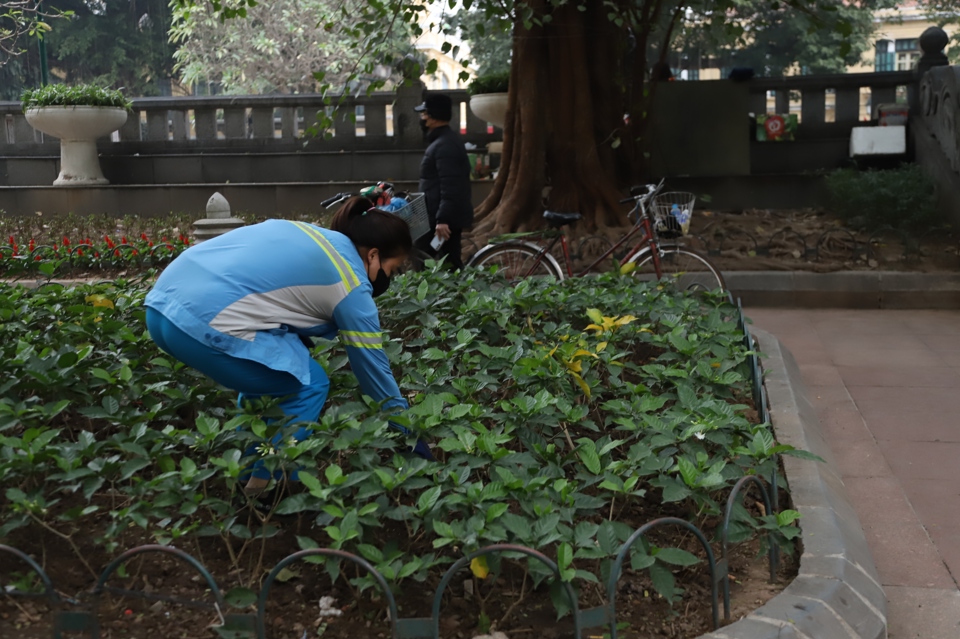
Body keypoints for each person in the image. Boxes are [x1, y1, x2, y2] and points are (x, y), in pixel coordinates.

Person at [144, 197, 432, 497]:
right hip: (202, 321)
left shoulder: (317, 236)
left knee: (275, 381)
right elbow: (374, 371)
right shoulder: (352, 285)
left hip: (161, 307)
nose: (390, 278)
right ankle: (264, 488)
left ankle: (256, 475)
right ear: (373, 255)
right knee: (307, 384)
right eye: (393, 269)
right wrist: (408, 431)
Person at [414, 93, 473, 269]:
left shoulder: (445, 145)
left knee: (426, 259)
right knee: (444, 261)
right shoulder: (442, 142)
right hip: (440, 218)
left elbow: (451, 185)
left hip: (442, 223)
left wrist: (443, 219)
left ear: (433, 116)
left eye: (424, 113)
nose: (422, 118)